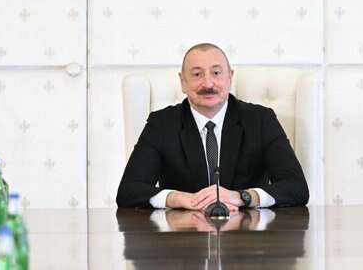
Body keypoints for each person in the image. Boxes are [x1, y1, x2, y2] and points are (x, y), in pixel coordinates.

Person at [116, 43, 309, 211]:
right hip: (182, 235)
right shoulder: (161, 124)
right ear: (183, 82)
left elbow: (296, 187)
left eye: (216, 73)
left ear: (229, 77)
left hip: (247, 234)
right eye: (197, 74)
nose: (208, 83)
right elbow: (129, 191)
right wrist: (179, 199)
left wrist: (243, 197)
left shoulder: (260, 120)